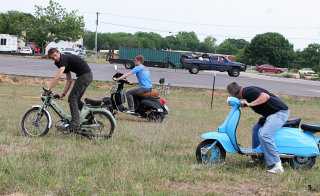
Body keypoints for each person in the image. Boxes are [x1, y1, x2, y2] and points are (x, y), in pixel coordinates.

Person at [226, 82, 290, 174]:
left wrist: (250, 104)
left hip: (279, 113)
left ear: (233, 94)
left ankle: (278, 166)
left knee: (265, 134)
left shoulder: (248, 92)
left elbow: (265, 96)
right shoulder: (246, 94)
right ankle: (258, 158)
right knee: (256, 129)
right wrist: (246, 104)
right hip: (270, 114)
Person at [46, 48, 93, 131]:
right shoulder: (59, 62)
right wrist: (63, 94)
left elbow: (59, 76)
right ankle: (90, 117)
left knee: (72, 98)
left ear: (58, 52)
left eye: (55, 55)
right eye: (52, 57)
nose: (55, 58)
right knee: (76, 99)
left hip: (85, 76)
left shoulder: (63, 59)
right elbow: (69, 80)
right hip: (86, 76)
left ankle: (75, 123)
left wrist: (49, 88)